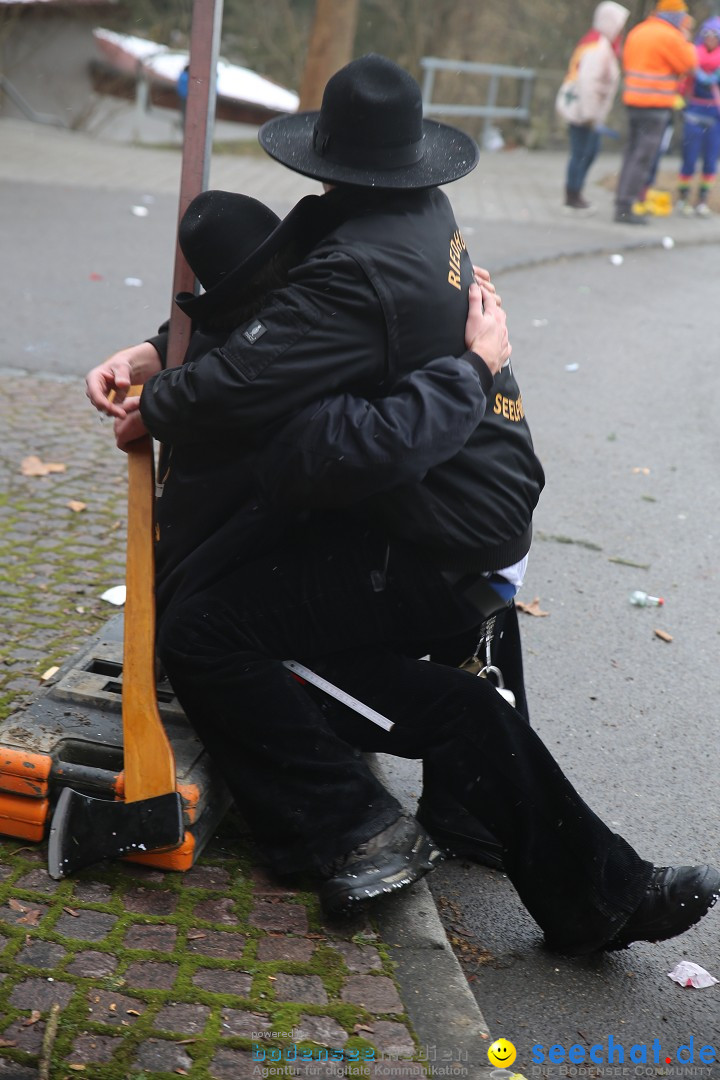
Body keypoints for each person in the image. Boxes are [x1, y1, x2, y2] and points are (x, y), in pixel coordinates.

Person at [87, 55, 719, 953]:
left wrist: (161, 402)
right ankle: (546, 863)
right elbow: (267, 321)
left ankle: (357, 832)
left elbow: (284, 396)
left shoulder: (339, 312)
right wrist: (160, 352)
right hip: (471, 507)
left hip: (437, 531)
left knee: (220, 640)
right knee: (376, 661)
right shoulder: (409, 217)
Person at [614, 0, 696, 224]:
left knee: (631, 152)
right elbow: (689, 64)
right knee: (643, 156)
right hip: (655, 104)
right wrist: (686, 37)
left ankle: (621, 200)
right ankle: (626, 207)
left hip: (633, 101)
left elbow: (627, 62)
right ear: (676, 16)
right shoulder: (670, 36)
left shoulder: (639, 31)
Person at [556, 2, 630, 211]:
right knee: (582, 153)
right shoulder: (598, 47)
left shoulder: (597, 43)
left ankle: (576, 192)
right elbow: (588, 83)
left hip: (588, 112)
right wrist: (590, 115)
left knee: (588, 152)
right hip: (584, 112)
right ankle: (573, 194)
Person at [676, 17, 720, 217]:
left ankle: (702, 201)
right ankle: (683, 199)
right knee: (689, 159)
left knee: (710, 161)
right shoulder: (692, 56)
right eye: (707, 35)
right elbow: (682, 81)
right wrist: (678, 96)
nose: (710, 39)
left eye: (715, 36)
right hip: (694, 112)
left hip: (715, 116)